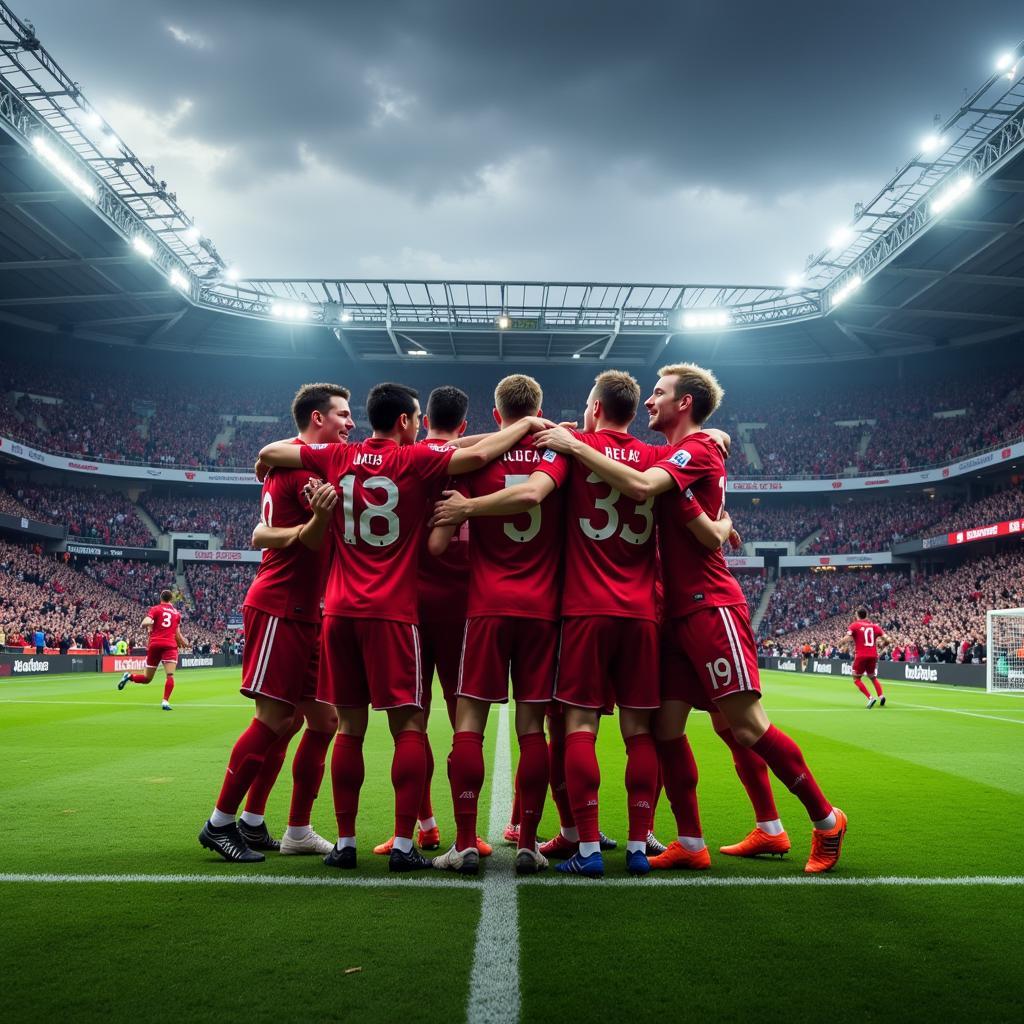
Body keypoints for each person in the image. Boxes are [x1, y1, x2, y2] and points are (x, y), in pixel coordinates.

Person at [535, 363, 847, 874]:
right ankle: (691, 840)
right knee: (665, 730)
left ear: (684, 404)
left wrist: (573, 446)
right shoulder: (674, 452)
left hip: (710, 605)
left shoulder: (694, 450)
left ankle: (826, 819)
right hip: (672, 613)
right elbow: (671, 494)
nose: (649, 401)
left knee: (745, 725)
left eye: (659, 393)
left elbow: (640, 484)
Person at [432, 370, 737, 878]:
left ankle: (572, 846)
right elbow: (691, 461)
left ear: (594, 408)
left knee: (546, 727)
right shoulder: (650, 457)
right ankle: (630, 847)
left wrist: (467, 507)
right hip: (626, 612)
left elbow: (505, 498)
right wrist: (715, 436)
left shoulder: (567, 451)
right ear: (632, 410)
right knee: (631, 732)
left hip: (550, 609)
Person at [258, 381, 550, 873]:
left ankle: (347, 842)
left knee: (349, 728)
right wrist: (524, 425)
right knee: (410, 725)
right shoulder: (415, 462)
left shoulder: (336, 455)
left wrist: (272, 461)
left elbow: (273, 450)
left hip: (339, 611)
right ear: (404, 422)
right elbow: (477, 457)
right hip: (395, 612)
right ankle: (402, 842)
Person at [199, 382, 355, 864]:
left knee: (321, 720)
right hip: (280, 606)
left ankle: (277, 826)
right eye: (342, 415)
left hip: (308, 611)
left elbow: (265, 525)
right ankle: (219, 823)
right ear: (316, 420)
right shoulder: (297, 467)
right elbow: (272, 535)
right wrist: (315, 524)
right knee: (274, 717)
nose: (350, 424)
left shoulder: (295, 462)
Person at [372, 385, 493, 859]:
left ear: (423, 423)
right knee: (466, 722)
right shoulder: (478, 459)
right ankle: (468, 831)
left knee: (410, 721)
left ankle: (421, 825)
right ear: (463, 426)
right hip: (465, 605)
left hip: (412, 604)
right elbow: (474, 447)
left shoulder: (409, 458)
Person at [117, 590, 186, 711]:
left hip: (155, 644)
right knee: (170, 675)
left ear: (161, 598)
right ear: (171, 599)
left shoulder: (156, 609)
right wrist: (184, 642)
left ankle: (129, 676)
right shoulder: (177, 614)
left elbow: (147, 621)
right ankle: (165, 701)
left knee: (147, 679)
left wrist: (144, 624)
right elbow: (177, 633)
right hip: (169, 645)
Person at [838, 607, 887, 709]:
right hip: (873, 655)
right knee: (872, 677)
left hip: (861, 655)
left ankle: (870, 698)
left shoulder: (854, 625)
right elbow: (886, 638)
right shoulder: (874, 626)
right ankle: (881, 695)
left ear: (857, 615)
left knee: (856, 678)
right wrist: (883, 644)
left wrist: (841, 642)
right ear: (866, 615)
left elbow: (848, 637)